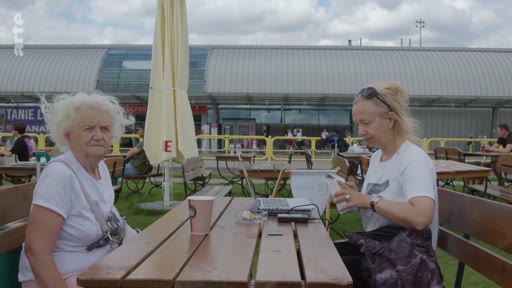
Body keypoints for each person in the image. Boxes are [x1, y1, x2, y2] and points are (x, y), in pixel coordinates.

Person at [18, 92, 134, 288]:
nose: (98, 135)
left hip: (99, 270)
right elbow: (35, 251)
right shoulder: (60, 176)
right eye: (89, 128)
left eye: (105, 129)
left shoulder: (101, 168)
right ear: (68, 136)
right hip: (62, 278)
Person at [332, 82, 440, 287]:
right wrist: (356, 198)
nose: (361, 131)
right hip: (381, 250)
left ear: (390, 120)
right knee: (316, 259)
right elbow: (375, 206)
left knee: (325, 269)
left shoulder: (413, 159)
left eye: (366, 123)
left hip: (407, 262)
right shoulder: (377, 157)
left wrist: (369, 200)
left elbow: (421, 217)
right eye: (358, 124)